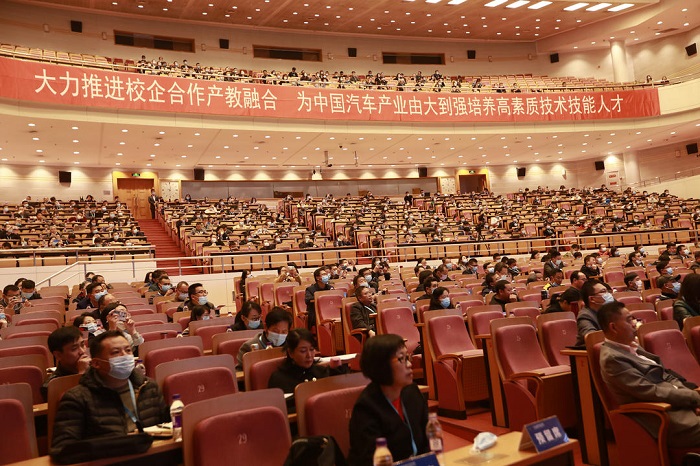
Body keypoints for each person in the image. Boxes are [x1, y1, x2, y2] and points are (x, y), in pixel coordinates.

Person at [598, 301, 700, 449]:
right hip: (664, 416)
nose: (635, 324)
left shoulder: (632, 346)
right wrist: (693, 398)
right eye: (629, 320)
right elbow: (651, 392)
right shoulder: (612, 359)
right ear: (613, 327)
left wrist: (692, 400)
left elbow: (666, 375)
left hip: (680, 405)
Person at [50, 331, 169, 455]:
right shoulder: (78, 398)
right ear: (96, 363)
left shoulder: (148, 386)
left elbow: (167, 426)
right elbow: (61, 449)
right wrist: (122, 445)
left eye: (128, 350)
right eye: (116, 352)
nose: (125, 356)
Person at [348, 334, 429, 465]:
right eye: (401, 359)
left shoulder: (412, 392)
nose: (409, 364)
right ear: (382, 366)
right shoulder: (366, 409)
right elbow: (369, 460)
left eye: (408, 357)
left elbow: (428, 440)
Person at [268, 328, 344, 412]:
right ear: (290, 353)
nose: (309, 355)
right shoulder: (279, 379)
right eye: (303, 351)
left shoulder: (322, 372)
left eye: (312, 349)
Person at [42, 326, 91, 398]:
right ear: (58, 355)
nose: (82, 351)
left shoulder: (95, 370)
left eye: (82, 345)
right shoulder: (51, 385)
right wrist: (81, 374)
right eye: (74, 348)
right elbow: (77, 402)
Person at [575, 279, 612, 346]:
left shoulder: (609, 311)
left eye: (608, 291)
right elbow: (592, 338)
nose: (608, 295)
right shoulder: (585, 316)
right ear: (592, 299)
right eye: (603, 291)